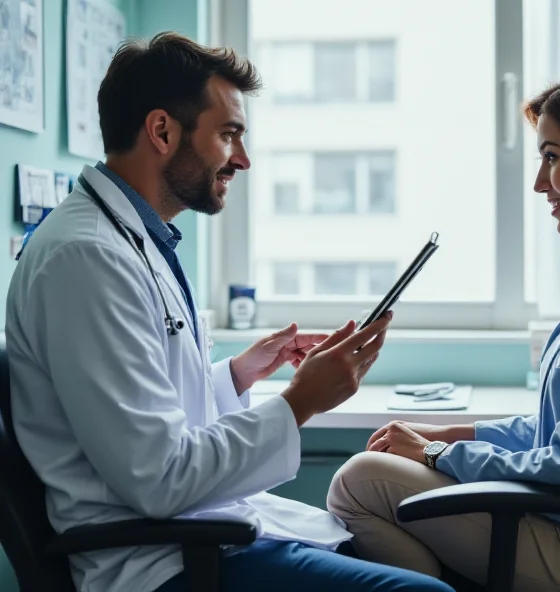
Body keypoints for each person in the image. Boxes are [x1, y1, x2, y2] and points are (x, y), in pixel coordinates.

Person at [5, 32, 454, 592]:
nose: (241, 159)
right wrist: (300, 401)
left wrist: (235, 376)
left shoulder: (134, 239)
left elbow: (145, 414)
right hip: (164, 564)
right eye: (228, 135)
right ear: (163, 130)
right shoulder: (88, 258)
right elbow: (160, 478)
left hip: (200, 536)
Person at [327, 59, 560, 592]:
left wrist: (439, 455)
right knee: (373, 469)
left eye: (551, 157)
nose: (538, 183)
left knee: (360, 483)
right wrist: (448, 434)